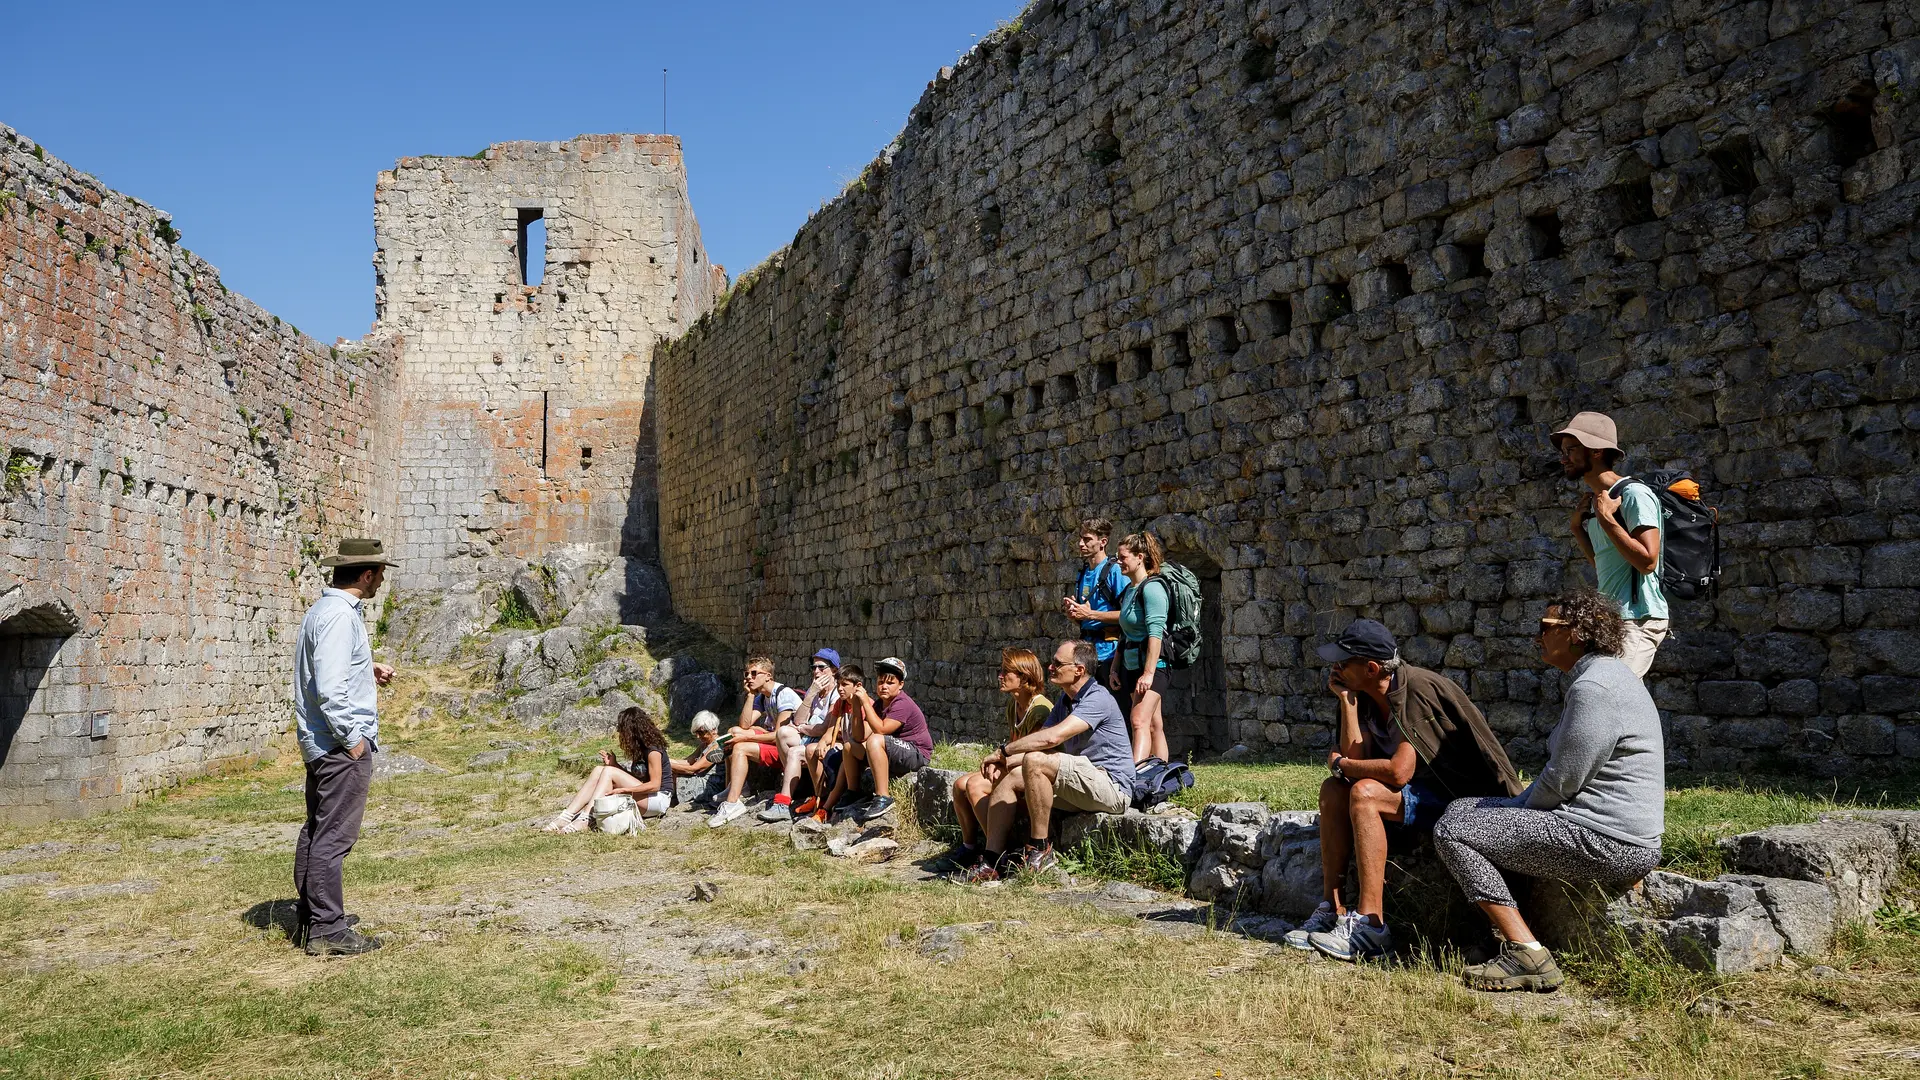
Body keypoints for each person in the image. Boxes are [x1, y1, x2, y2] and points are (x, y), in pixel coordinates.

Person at [1434, 588, 1665, 992]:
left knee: (1453, 828)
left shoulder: (1594, 687)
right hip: (1613, 836)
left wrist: (1514, 811)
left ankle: (1527, 953)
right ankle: (1493, 933)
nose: (1537, 637)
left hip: (1609, 843)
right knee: (1464, 809)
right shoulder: (1607, 676)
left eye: (1545, 627)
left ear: (1576, 632)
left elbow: (1563, 779)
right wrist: (1510, 809)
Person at [1288, 618, 1523, 962]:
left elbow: (1397, 773)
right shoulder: (1364, 694)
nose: (1334, 668)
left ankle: (1372, 925)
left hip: (1462, 803)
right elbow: (1354, 764)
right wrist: (1347, 704)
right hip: (1419, 796)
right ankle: (1332, 909)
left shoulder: (1417, 693)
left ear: (1371, 668)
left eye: (1342, 662)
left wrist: (1342, 765)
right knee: (1334, 790)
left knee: (1365, 792)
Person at [954, 640, 1136, 882]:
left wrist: (1003, 752)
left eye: (1058, 664)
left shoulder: (1098, 697)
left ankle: (1040, 849)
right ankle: (992, 861)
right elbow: (1039, 740)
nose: (1050, 667)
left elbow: (1052, 738)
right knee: (1011, 777)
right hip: (1084, 784)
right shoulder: (1064, 702)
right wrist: (1004, 764)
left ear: (1079, 670)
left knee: (1035, 761)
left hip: (1111, 787)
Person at [292, 538, 398, 956]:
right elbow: (331, 690)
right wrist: (354, 742)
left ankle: (314, 915)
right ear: (367, 574)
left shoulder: (324, 611)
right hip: (338, 746)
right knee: (332, 838)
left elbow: (325, 669)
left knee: (318, 831)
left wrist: (364, 667)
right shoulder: (339, 616)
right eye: (380, 573)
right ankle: (328, 930)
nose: (381, 580)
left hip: (322, 742)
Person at [1554, 410, 1667, 676]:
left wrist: (1607, 520)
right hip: (1612, 620)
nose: (1563, 458)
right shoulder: (1599, 502)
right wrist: (1577, 529)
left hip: (1638, 619)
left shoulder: (1634, 495)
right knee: (1607, 697)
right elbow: (1605, 564)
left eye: (1570, 449)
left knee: (1613, 697)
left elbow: (1648, 562)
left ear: (1595, 451)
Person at [936, 648, 1053, 872]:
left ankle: (998, 853)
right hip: (1016, 768)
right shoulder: (1014, 705)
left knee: (974, 784)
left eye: (1005, 672)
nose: (999, 676)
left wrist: (1001, 763)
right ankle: (970, 846)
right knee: (959, 785)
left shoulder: (1040, 710)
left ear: (1024, 677)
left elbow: (1035, 755)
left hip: (1034, 775)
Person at [817, 657, 931, 823]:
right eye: (880, 682)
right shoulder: (879, 705)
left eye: (890, 683)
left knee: (875, 740)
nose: (884, 686)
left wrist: (865, 703)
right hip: (894, 751)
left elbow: (881, 729)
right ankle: (853, 791)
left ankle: (883, 797)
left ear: (901, 685)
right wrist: (857, 706)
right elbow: (859, 736)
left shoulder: (902, 704)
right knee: (849, 747)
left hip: (917, 753)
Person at [543, 706, 675, 833]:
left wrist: (625, 790)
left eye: (622, 730)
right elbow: (636, 781)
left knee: (608, 772)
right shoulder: (640, 750)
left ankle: (586, 818)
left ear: (632, 730)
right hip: (646, 796)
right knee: (599, 770)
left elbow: (655, 785)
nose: (620, 734)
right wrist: (614, 765)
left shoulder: (653, 750)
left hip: (658, 800)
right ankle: (566, 816)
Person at [708, 657, 803, 827]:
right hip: (776, 741)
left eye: (753, 674)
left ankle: (732, 803)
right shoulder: (763, 697)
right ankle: (734, 786)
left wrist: (745, 738)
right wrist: (751, 696)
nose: (748, 678)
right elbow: (745, 724)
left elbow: (778, 735)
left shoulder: (784, 694)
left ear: (768, 676)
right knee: (733, 732)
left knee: (740, 747)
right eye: (746, 674)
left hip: (788, 750)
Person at [1108, 531, 1171, 764]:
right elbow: (1124, 635)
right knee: (1154, 724)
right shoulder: (1129, 591)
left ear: (1139, 557)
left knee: (1138, 721)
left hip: (1154, 666)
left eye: (1123, 557)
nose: (1119, 562)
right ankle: (1160, 777)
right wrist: (1115, 668)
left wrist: (1148, 673)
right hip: (1132, 665)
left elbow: (1155, 633)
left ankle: (1134, 777)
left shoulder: (1153, 589)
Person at [764, 648, 842, 821]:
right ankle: (799, 784)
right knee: (783, 733)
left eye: (822, 668)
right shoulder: (816, 690)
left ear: (834, 670)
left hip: (830, 740)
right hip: (813, 736)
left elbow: (824, 728)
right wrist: (811, 694)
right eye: (813, 667)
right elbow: (799, 719)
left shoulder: (837, 693)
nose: (816, 672)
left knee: (795, 751)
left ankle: (783, 803)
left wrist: (803, 728)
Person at [1061, 517, 1129, 669]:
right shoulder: (1084, 572)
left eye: (1087, 540)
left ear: (1103, 542)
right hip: (1086, 655)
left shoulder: (1115, 571)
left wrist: (1089, 614)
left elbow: (1128, 615)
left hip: (1110, 655)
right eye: (1081, 538)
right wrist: (1074, 615)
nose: (1080, 544)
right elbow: (1085, 617)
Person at [675, 710, 725, 811]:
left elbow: (694, 769)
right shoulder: (704, 744)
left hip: (710, 787)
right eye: (696, 732)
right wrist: (665, 760)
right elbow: (688, 761)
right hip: (699, 779)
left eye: (701, 732)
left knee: (673, 773)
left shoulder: (717, 746)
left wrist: (665, 764)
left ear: (713, 730)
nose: (698, 736)